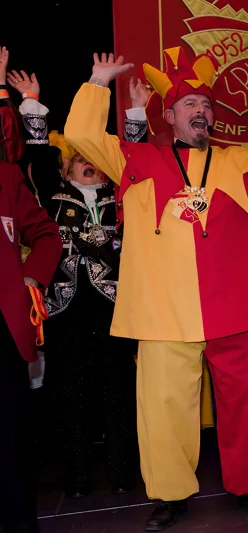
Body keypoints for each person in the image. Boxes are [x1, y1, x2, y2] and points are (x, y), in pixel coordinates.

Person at [63, 47, 248, 529]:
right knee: (164, 409)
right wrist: (98, 81)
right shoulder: (135, 159)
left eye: (207, 105)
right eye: (190, 104)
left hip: (236, 309)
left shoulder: (242, 159)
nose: (201, 110)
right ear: (170, 116)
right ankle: (170, 494)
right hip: (164, 310)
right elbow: (81, 135)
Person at [6, 67, 146, 498]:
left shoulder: (120, 194)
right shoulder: (52, 194)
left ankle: (123, 474)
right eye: (78, 158)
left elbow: (137, 162)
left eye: (93, 158)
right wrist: (31, 101)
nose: (87, 163)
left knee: (118, 391)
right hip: (65, 310)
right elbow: (35, 158)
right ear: (66, 167)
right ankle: (78, 478)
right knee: (70, 396)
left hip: (113, 308)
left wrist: (137, 111)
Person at [0, 156, 62, 532]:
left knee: (11, 443)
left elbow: (47, 234)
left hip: (4, 331)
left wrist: (31, 278)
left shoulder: (6, 177)